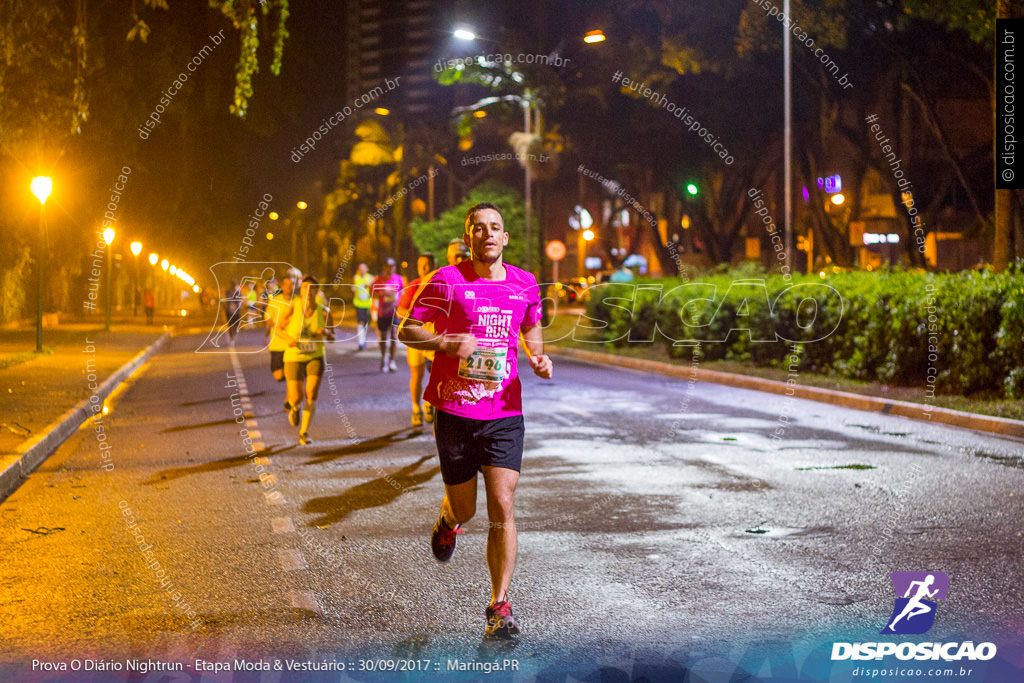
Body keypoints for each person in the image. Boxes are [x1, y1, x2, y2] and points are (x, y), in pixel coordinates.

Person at [399, 201, 553, 638]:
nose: (487, 234)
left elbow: (531, 333)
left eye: (495, 228)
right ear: (468, 238)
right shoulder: (446, 279)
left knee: (503, 505)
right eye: (478, 228)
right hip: (454, 411)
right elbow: (407, 330)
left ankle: (499, 605)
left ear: (505, 238)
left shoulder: (524, 283)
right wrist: (446, 344)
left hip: (504, 411)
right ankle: (448, 521)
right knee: (465, 508)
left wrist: (538, 359)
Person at [280, 275, 335, 445]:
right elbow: (278, 329)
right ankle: (295, 408)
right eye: (305, 288)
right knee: (296, 397)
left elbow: (332, 337)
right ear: (301, 290)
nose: (308, 291)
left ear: (317, 291)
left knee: (311, 393)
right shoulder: (293, 306)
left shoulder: (324, 312)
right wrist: (287, 339)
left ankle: (304, 432)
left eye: (312, 288)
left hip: (315, 356)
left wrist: (326, 333)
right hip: (294, 355)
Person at [397, 252, 437, 427]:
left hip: (433, 338)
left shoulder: (440, 285)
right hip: (415, 339)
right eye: (421, 265)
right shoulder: (414, 286)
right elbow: (400, 309)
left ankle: (429, 403)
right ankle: (416, 408)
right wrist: (416, 316)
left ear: (434, 265)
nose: (424, 268)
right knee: (417, 375)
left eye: (427, 265)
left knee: (436, 374)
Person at [264, 272, 297, 389]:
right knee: (278, 376)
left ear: (295, 286)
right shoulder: (275, 301)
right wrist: (277, 326)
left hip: (293, 344)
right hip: (278, 344)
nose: (289, 287)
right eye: (286, 284)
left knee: (293, 376)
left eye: (291, 284)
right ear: (282, 287)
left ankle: (292, 398)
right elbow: (267, 318)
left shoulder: (298, 301)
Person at [371, 258, 405, 372]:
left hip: (395, 312)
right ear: (384, 267)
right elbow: (372, 293)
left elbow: (403, 293)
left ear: (394, 267)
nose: (389, 268)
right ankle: (383, 358)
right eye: (387, 266)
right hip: (383, 312)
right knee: (383, 337)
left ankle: (392, 361)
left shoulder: (399, 279)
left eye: (392, 266)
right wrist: (382, 293)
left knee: (394, 336)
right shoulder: (379, 280)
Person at [353, 263, 374, 350]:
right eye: (360, 268)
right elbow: (354, 288)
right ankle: (361, 343)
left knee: (367, 323)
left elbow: (373, 288)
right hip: (358, 303)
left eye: (363, 268)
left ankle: (363, 339)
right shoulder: (356, 277)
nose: (361, 270)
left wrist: (369, 285)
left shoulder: (370, 278)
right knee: (360, 322)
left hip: (368, 304)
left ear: (367, 269)